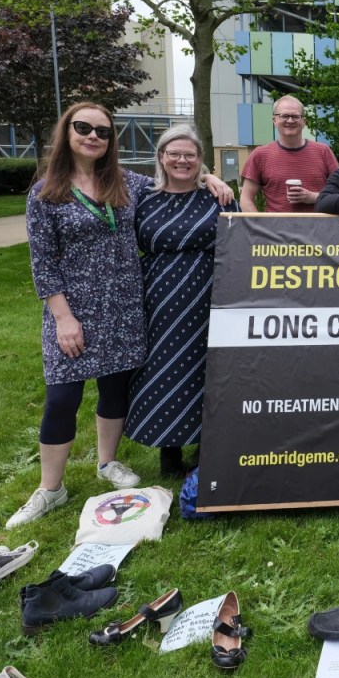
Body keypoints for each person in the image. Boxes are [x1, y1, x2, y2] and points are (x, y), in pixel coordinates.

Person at [9, 103, 150, 527]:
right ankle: (50, 488)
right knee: (62, 398)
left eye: (103, 132)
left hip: (123, 308)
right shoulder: (46, 192)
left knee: (114, 390)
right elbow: (43, 262)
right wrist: (63, 318)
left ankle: (107, 463)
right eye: (83, 127)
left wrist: (210, 177)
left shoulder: (125, 183)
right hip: (73, 311)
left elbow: (173, 178)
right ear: (67, 132)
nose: (93, 136)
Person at [125, 125, 239, 478]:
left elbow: (239, 242)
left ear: (200, 160)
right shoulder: (143, 196)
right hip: (159, 294)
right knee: (164, 366)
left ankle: (208, 444)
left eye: (190, 154)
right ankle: (169, 448)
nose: (182, 160)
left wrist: (215, 180)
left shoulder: (218, 197)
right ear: (161, 157)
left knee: (211, 367)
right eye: (174, 153)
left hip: (212, 289)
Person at [239, 95, 339, 213]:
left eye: (296, 116)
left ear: (304, 121)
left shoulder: (323, 152)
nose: (290, 121)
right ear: (274, 120)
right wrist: (260, 227)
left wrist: (314, 197)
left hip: (318, 229)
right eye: (284, 116)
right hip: (275, 230)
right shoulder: (260, 155)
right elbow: (245, 199)